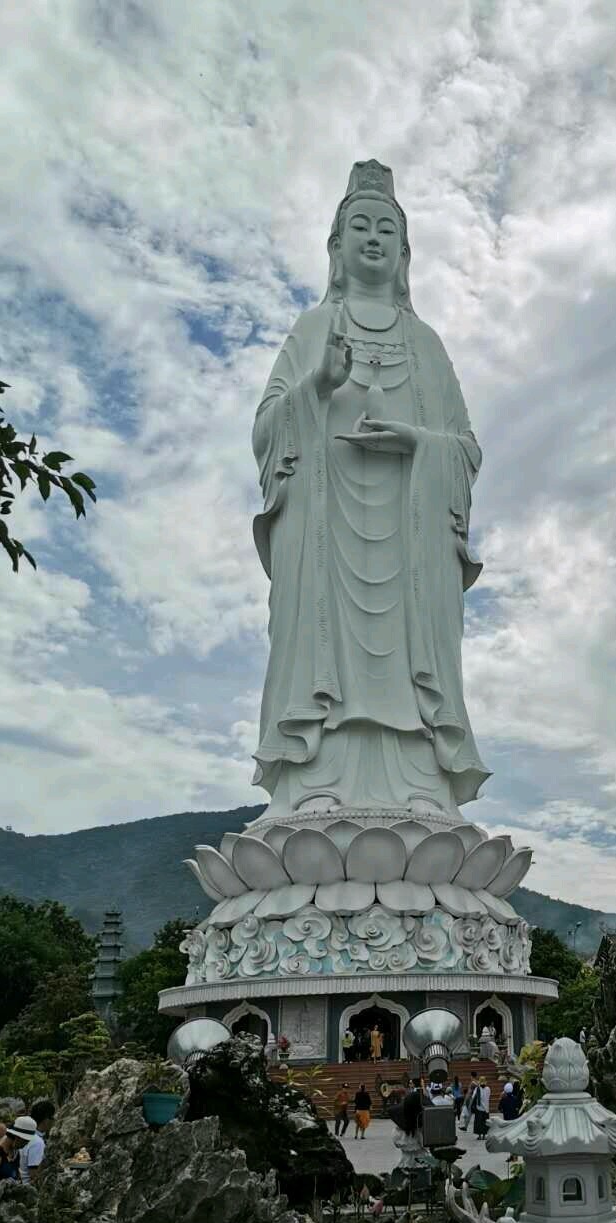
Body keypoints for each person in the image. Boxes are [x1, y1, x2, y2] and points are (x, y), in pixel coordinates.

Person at [250, 158, 489, 820]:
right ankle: (314, 782)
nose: (374, 238)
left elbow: (465, 449)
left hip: (410, 545)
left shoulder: (425, 343)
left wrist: (417, 443)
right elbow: (267, 431)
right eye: (361, 225)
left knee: (412, 665)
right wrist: (316, 386)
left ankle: (419, 788)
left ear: (406, 252)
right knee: (320, 652)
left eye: (388, 228)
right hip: (325, 535)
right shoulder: (311, 330)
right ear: (337, 245)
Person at [9, 1116, 43, 1184]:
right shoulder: (38, 1142)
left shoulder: (16, 1152)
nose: (26, 1144)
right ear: (19, 1137)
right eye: (26, 1141)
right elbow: (33, 1174)